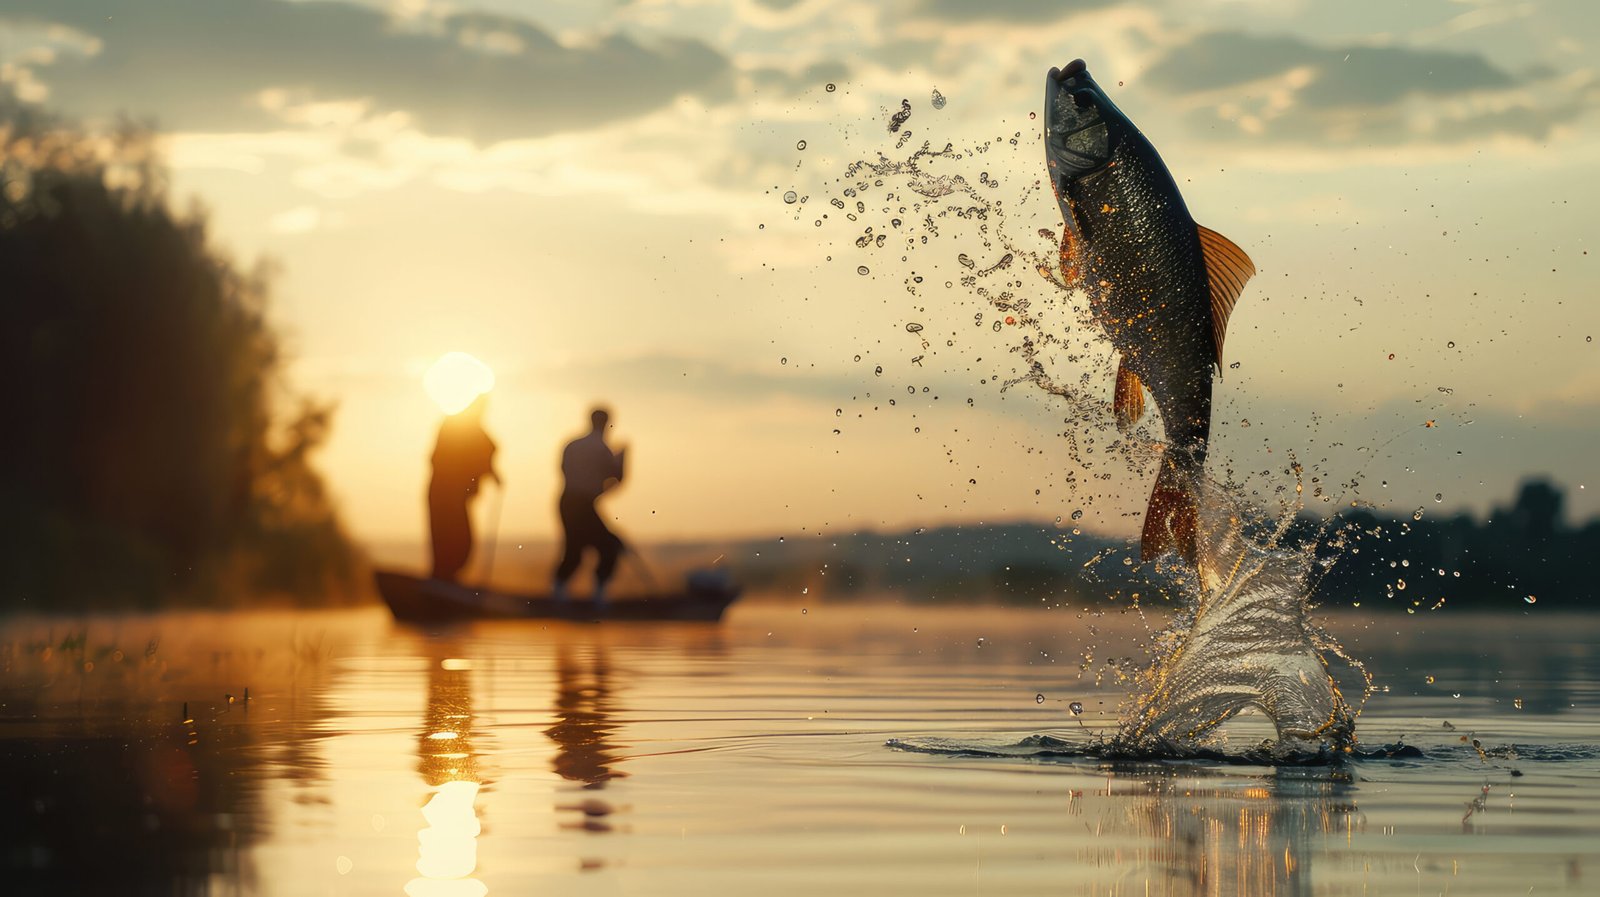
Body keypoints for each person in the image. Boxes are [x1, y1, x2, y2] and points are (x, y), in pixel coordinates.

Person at [553, 407, 626, 605]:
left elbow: (563, 471)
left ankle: (559, 593)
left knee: (575, 548)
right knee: (609, 546)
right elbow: (617, 479)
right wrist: (623, 460)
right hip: (582, 503)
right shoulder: (602, 449)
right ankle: (598, 597)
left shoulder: (573, 445)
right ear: (606, 423)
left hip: (567, 501)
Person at [428, 393, 499, 582]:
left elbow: (489, 450)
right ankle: (442, 576)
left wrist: (492, 473)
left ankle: (446, 578)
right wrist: (490, 473)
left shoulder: (472, 428)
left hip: (456, 495)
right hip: (444, 493)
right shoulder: (455, 425)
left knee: (462, 539)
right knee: (446, 535)